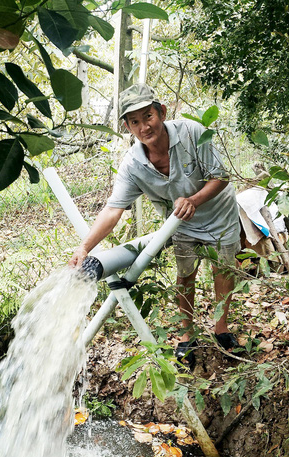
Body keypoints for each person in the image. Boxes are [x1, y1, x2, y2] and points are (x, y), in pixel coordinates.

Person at [68, 84, 241, 366]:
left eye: (147, 116)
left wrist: (194, 200)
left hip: (219, 215)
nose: (144, 126)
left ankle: (221, 329)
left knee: (223, 270)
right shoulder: (133, 164)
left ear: (161, 112)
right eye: (134, 121)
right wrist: (85, 247)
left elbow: (221, 176)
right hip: (180, 224)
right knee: (186, 275)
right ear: (127, 126)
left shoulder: (192, 133)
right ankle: (187, 336)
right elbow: (113, 210)